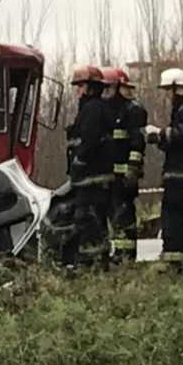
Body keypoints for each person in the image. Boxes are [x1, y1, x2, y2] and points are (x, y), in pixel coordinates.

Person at [145, 68, 183, 274]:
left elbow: (179, 135)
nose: (167, 96)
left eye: (168, 91)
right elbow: (176, 143)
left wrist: (159, 132)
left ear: (177, 89)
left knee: (174, 222)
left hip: (181, 180)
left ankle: (174, 266)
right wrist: (159, 139)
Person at [63, 65, 114, 269]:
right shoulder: (97, 108)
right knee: (97, 220)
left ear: (91, 88)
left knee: (86, 219)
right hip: (95, 177)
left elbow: (89, 140)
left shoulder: (92, 109)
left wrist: (79, 160)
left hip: (90, 177)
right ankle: (99, 261)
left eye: (80, 86)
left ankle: (89, 262)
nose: (78, 90)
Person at [100, 67, 148, 261]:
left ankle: (126, 256)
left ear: (119, 87)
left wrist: (132, 170)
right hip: (109, 175)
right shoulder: (106, 111)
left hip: (124, 177)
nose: (105, 92)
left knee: (123, 215)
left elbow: (138, 143)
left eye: (109, 88)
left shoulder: (132, 110)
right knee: (112, 216)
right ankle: (118, 254)